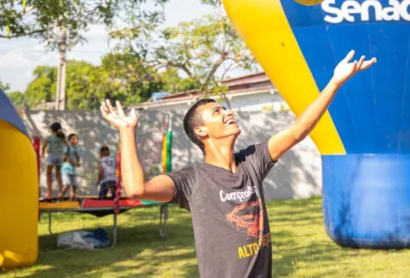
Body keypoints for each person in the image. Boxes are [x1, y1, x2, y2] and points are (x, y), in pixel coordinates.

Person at [100, 50, 375, 278]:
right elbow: (136, 189)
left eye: (224, 108)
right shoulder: (192, 181)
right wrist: (127, 131)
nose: (227, 112)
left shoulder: (252, 161)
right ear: (201, 132)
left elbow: (296, 131)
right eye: (216, 112)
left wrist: (335, 82)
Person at [42, 122, 67, 199]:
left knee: (49, 174)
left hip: (52, 156)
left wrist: (42, 154)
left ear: (52, 129)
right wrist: (66, 155)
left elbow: (43, 147)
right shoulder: (62, 137)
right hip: (59, 156)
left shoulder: (50, 137)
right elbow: (67, 146)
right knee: (58, 175)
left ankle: (50, 193)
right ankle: (61, 192)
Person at [61, 133, 82, 200]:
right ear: (69, 140)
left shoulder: (78, 149)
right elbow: (66, 158)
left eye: (76, 139)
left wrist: (77, 157)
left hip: (72, 170)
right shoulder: (68, 147)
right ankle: (60, 198)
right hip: (66, 169)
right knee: (67, 185)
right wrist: (75, 163)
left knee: (74, 186)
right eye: (73, 139)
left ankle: (71, 200)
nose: (75, 140)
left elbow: (78, 159)